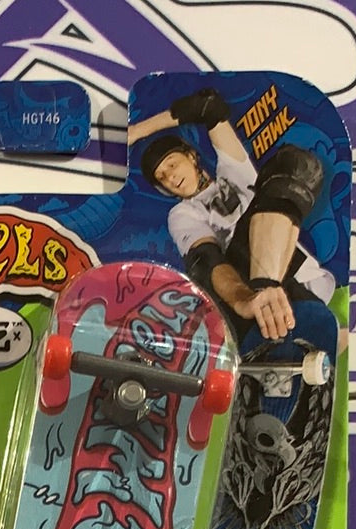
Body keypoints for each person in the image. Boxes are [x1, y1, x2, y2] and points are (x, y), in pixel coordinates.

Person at [128, 88, 334, 343]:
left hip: (302, 280)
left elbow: (208, 107)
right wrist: (243, 299)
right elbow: (206, 259)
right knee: (218, 254)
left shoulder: (234, 172)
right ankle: (265, 294)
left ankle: (278, 296)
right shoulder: (182, 213)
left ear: (191, 157)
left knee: (297, 163)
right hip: (244, 292)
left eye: (172, 164)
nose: (170, 176)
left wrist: (136, 131)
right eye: (162, 177)